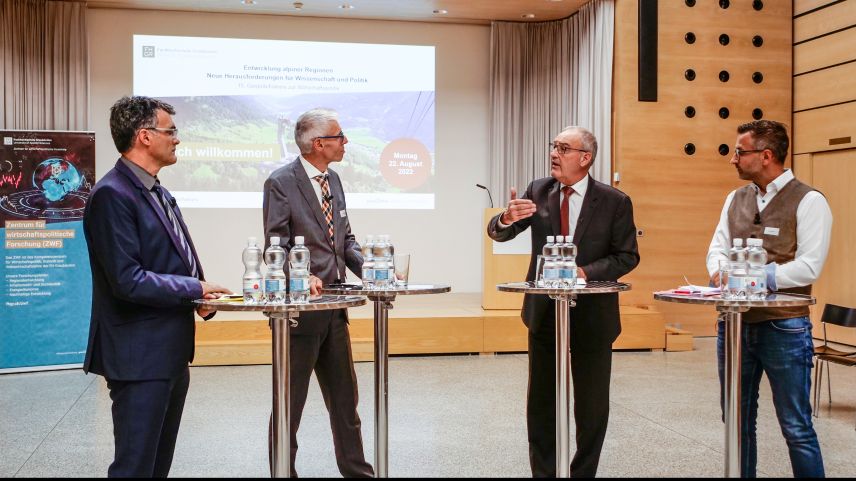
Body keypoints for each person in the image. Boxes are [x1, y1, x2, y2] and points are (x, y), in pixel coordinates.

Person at [83, 96, 231, 477]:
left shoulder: (159, 192)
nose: (177, 139)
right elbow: (126, 279)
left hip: (169, 351)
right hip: (138, 357)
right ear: (145, 136)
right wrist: (192, 288)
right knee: (135, 468)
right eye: (171, 131)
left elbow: (177, 257)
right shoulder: (111, 195)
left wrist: (201, 293)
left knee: (157, 466)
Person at [487, 126, 640, 477]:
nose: (554, 153)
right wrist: (506, 217)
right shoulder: (538, 190)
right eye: (553, 146)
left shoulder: (615, 201)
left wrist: (583, 272)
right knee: (541, 404)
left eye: (564, 148)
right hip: (544, 312)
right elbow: (500, 231)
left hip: (593, 317)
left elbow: (627, 257)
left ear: (585, 158)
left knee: (591, 407)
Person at [706, 120, 832, 478]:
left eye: (739, 152)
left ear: (765, 156)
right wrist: (719, 272)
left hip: (785, 326)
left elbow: (809, 267)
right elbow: (717, 249)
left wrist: (756, 276)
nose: (733, 159)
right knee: (736, 421)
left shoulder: (809, 201)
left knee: (796, 427)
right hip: (734, 325)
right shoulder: (735, 198)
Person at [262, 108, 373, 477]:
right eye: (340, 136)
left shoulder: (334, 180)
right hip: (299, 314)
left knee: (346, 403)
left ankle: (358, 472)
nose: (345, 142)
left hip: (335, 309)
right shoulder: (281, 182)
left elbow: (345, 239)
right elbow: (273, 246)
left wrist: (370, 270)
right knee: (289, 405)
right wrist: (302, 274)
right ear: (318, 143)